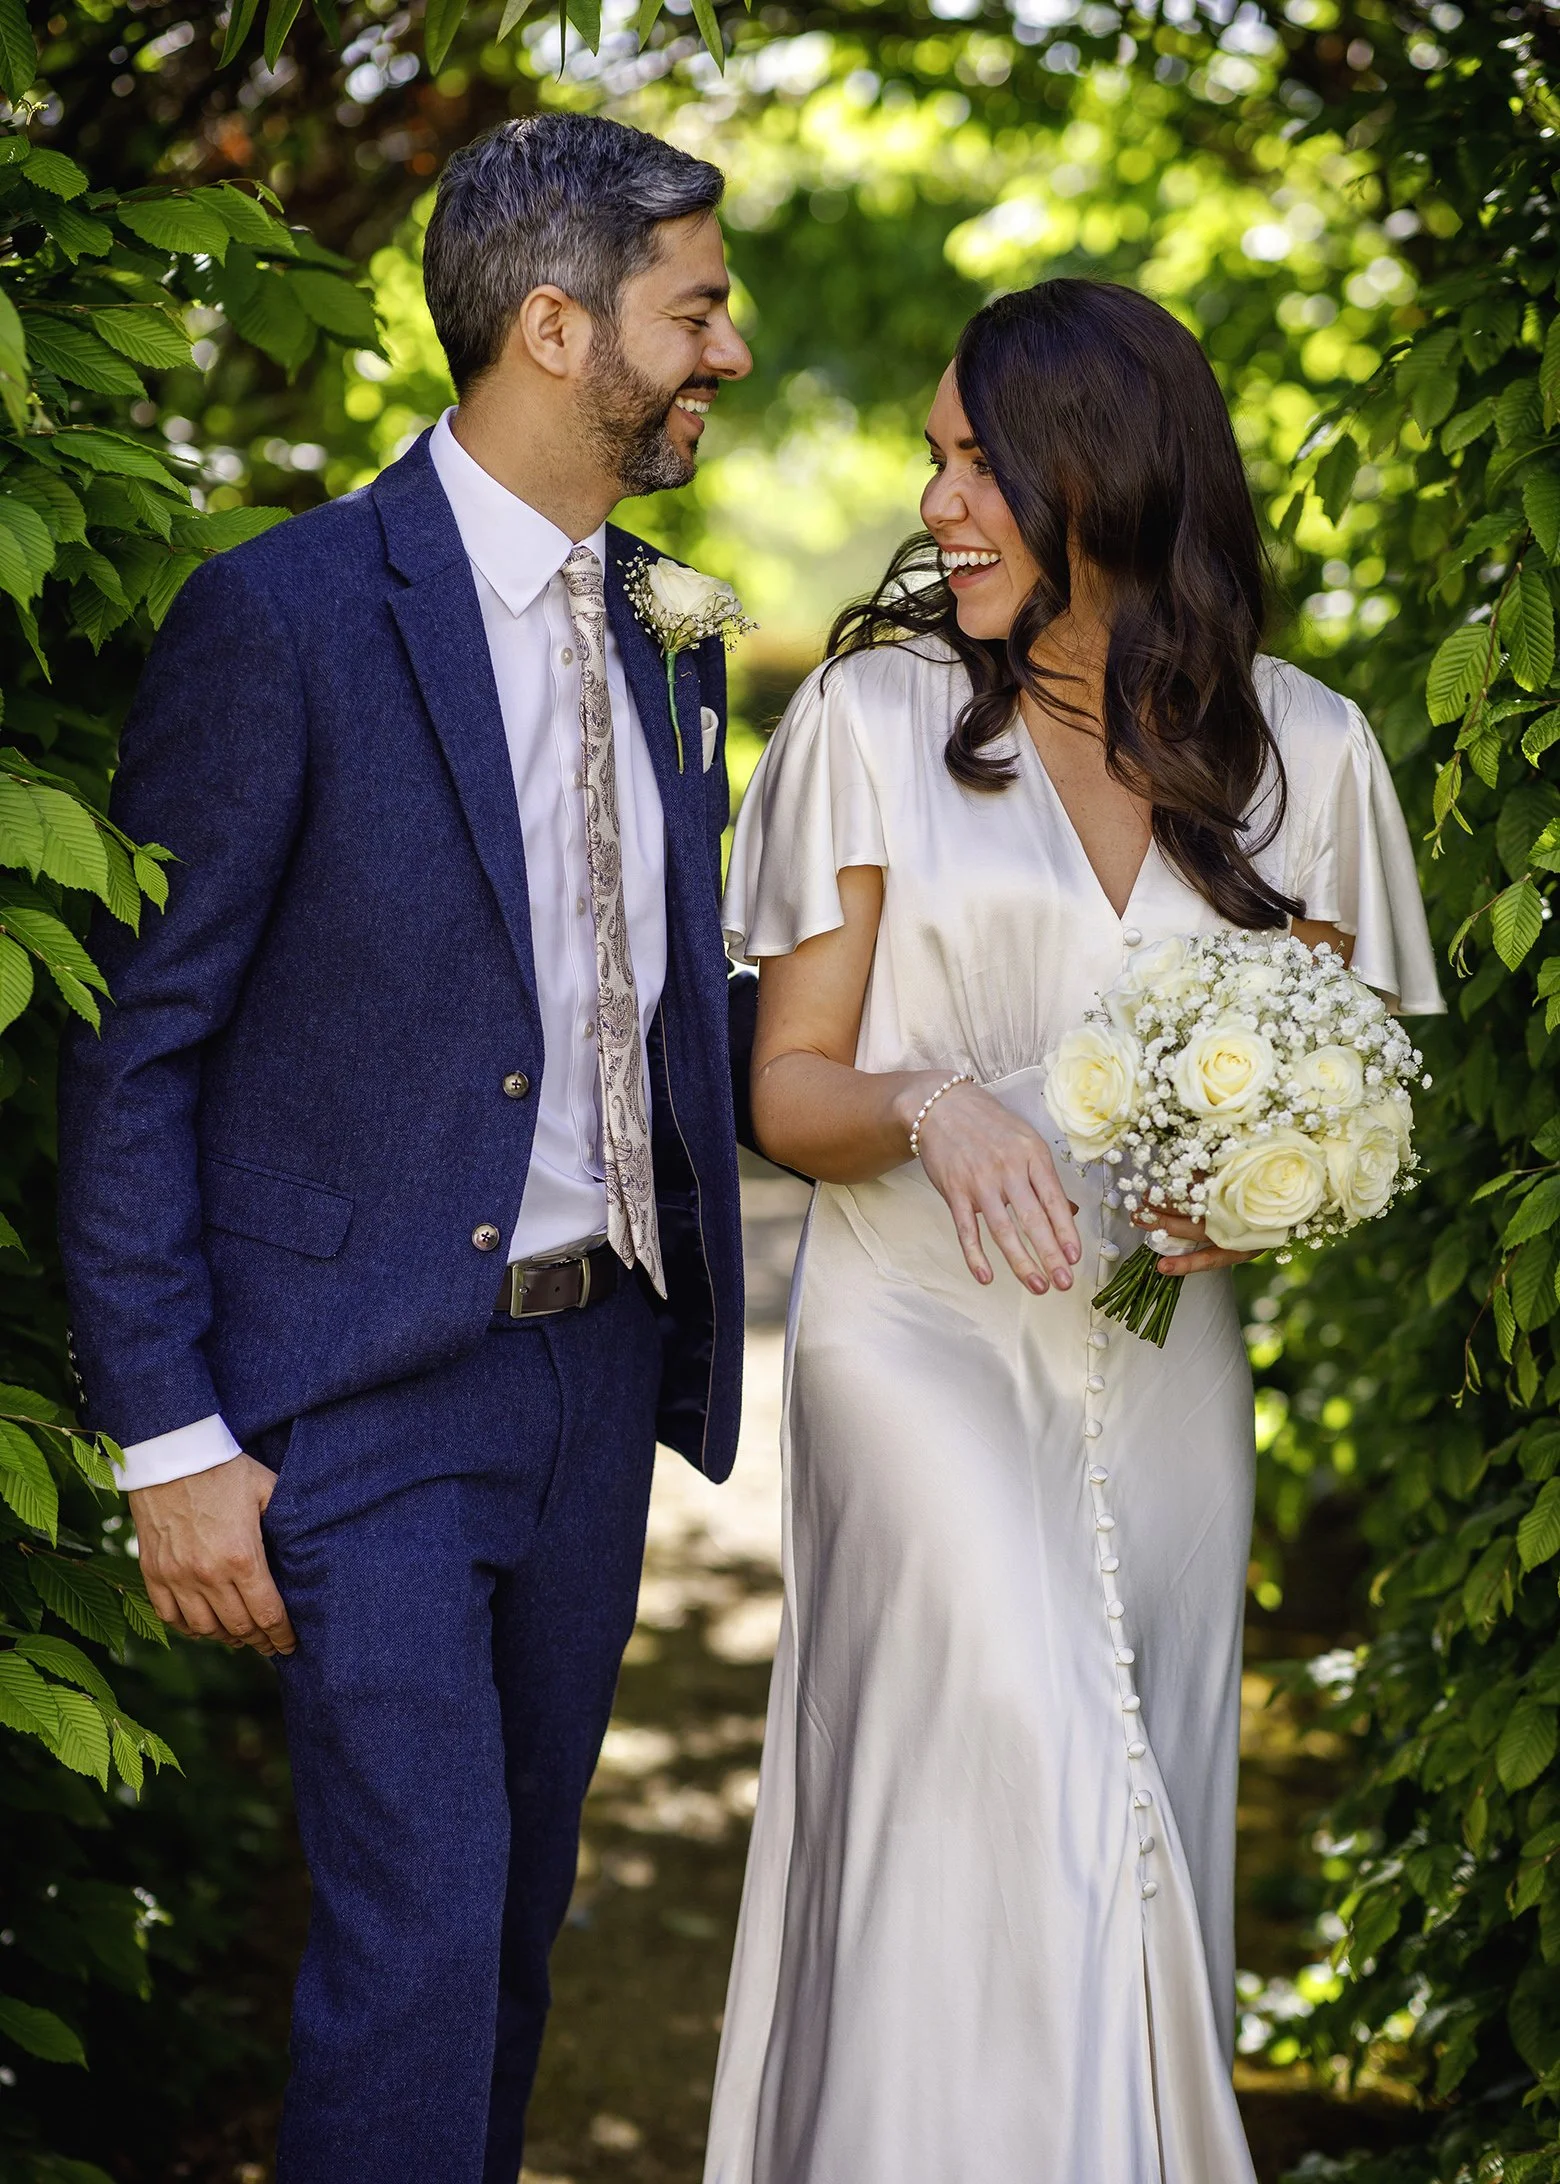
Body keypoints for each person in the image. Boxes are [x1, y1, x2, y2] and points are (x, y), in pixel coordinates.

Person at [56, 114, 753, 2184]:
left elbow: (669, 996)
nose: (728, 351)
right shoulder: (282, 617)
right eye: (696, 310)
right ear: (555, 327)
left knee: (511, 1933)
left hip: (597, 1378)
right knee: (419, 1949)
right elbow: (137, 1049)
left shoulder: (678, 630)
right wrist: (170, 1438)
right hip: (358, 1390)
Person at [707, 277, 1443, 2184]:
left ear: (1101, 475)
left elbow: (1339, 1096)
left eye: (982, 463)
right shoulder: (871, 720)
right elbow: (788, 1089)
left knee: (1131, 1794)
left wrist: (1257, 1208)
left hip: (1161, 1364)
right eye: (936, 459)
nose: (940, 503)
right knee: (1024, 1743)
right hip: (915, 1341)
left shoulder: (1307, 749)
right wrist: (934, 1104)